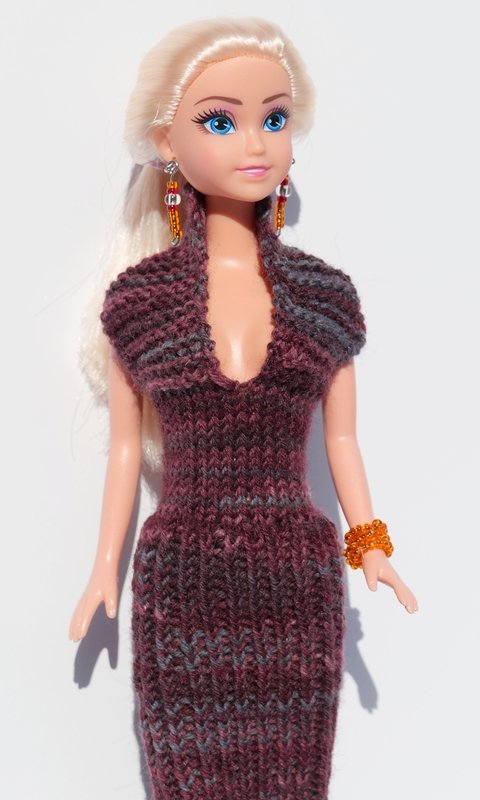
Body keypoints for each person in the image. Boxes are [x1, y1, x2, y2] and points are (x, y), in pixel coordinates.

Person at [69, 16, 418, 800]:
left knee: (293, 777)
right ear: (167, 142)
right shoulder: (141, 304)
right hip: (182, 579)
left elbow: (344, 441)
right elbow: (125, 450)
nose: (255, 143)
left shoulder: (324, 299)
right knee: (189, 775)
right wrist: (101, 572)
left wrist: (370, 545)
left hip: (297, 579)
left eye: (275, 118)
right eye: (221, 122)